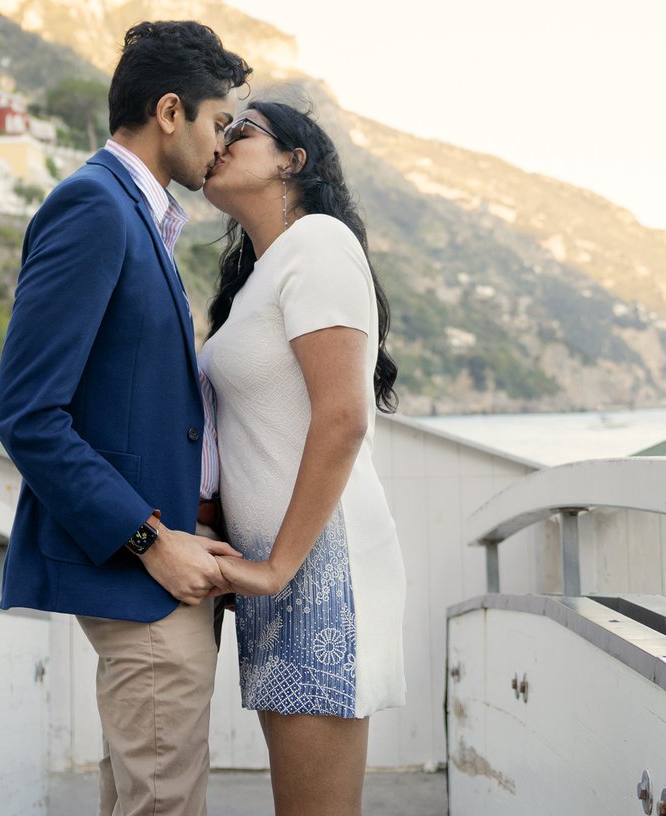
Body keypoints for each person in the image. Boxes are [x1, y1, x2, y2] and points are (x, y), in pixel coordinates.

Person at [0, 20, 252, 816]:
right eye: (217, 123)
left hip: (168, 564)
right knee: (164, 804)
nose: (223, 145)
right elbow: (28, 413)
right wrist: (149, 540)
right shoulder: (94, 208)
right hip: (143, 576)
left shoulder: (138, 216)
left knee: (145, 800)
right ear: (169, 112)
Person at [199, 99, 406, 816]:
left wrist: (276, 566)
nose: (221, 139)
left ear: (294, 160)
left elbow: (343, 417)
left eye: (242, 131)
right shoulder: (262, 272)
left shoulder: (318, 242)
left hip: (317, 569)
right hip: (276, 574)